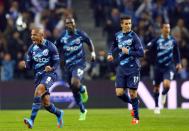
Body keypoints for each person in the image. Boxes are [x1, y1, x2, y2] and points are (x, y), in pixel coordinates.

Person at [19, 28, 64, 128]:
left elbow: (57, 62)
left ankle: (31, 120)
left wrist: (51, 68)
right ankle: (59, 113)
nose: (32, 37)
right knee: (47, 104)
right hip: (38, 76)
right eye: (32, 35)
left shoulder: (51, 46)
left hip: (49, 75)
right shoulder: (31, 49)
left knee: (38, 91)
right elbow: (29, 66)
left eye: (35, 35)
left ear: (41, 35)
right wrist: (24, 65)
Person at [54, 17, 96, 121]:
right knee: (74, 90)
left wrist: (92, 53)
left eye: (71, 23)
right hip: (68, 66)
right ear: (65, 25)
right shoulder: (62, 36)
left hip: (79, 64)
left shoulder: (80, 34)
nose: (69, 25)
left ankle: (83, 89)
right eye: (67, 23)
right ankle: (83, 110)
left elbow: (89, 41)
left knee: (75, 83)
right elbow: (55, 47)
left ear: (74, 24)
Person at [107, 16, 144, 124]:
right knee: (119, 93)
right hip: (121, 68)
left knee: (132, 93)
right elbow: (114, 45)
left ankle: (136, 118)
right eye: (126, 24)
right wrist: (110, 54)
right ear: (121, 24)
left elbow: (141, 53)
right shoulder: (117, 35)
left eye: (130, 23)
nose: (128, 26)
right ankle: (134, 103)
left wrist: (129, 52)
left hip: (133, 68)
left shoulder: (134, 37)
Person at [145, 23, 182, 114]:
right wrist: (145, 50)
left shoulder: (173, 41)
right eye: (165, 27)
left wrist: (178, 63)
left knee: (167, 85)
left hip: (169, 67)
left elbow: (176, 53)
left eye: (169, 27)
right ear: (162, 29)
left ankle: (164, 93)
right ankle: (157, 106)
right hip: (158, 67)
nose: (167, 29)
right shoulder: (157, 40)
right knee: (156, 87)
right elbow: (148, 46)